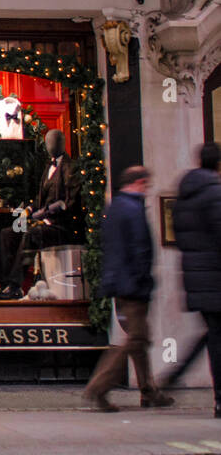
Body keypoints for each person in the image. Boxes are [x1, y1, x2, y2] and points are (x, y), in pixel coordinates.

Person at [83, 165, 174, 412]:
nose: (148, 189)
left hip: (120, 281)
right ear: (139, 182)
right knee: (136, 338)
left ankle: (148, 390)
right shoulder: (132, 208)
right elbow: (139, 249)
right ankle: (99, 387)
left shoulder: (115, 206)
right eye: (146, 184)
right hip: (132, 283)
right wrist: (142, 279)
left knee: (139, 339)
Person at [162, 143, 221, 417]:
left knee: (213, 335)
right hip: (214, 276)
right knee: (215, 338)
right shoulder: (213, 193)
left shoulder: (185, 196)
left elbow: (181, 237)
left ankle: (177, 373)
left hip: (197, 277)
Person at [0, 128, 82, 298]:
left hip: (60, 226)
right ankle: (3, 283)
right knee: (8, 233)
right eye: (48, 143)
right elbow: (41, 198)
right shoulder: (49, 166)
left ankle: (15, 285)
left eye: (53, 142)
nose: (50, 146)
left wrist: (47, 214)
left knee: (29, 233)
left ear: (62, 144)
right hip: (41, 220)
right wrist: (29, 209)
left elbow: (69, 203)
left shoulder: (71, 168)